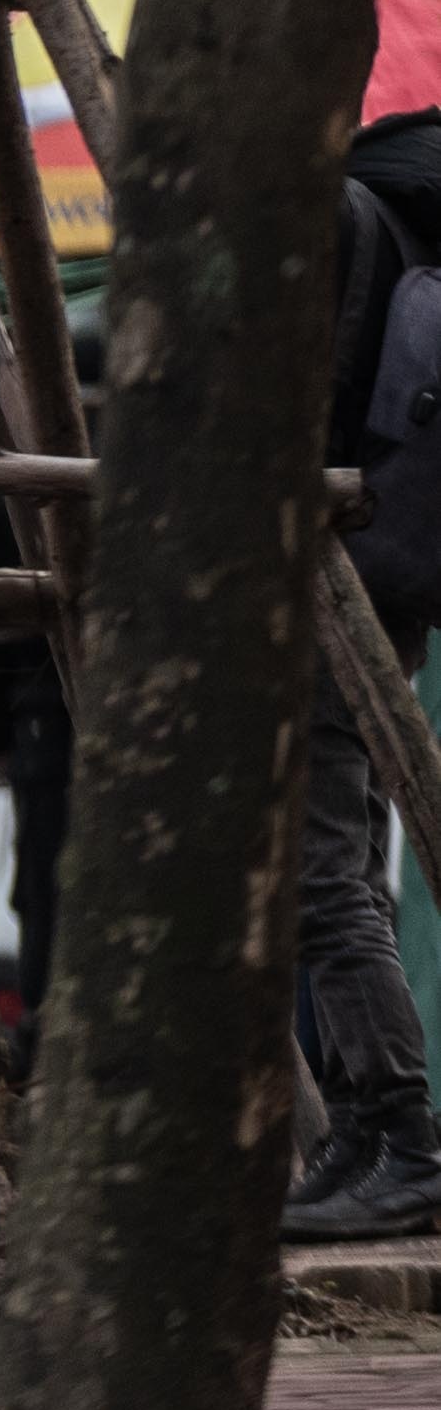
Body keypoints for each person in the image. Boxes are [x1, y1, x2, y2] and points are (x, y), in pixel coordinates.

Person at [283, 110, 441, 1240]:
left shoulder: (342, 216)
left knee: (319, 866)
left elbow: (305, 414)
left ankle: (401, 1132)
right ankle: (361, 1133)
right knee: (345, 859)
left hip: (333, 567)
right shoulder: (398, 217)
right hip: (394, 558)